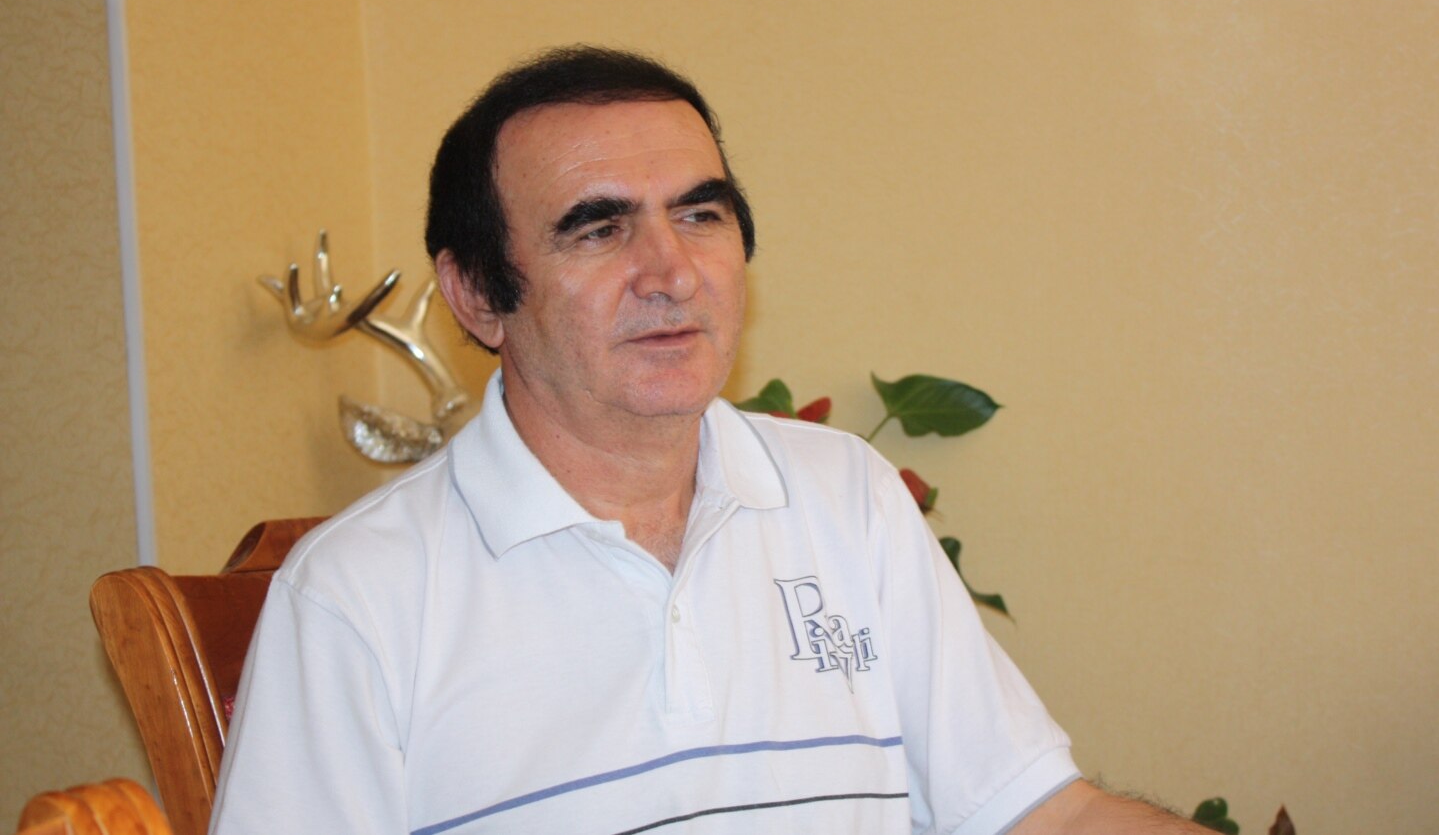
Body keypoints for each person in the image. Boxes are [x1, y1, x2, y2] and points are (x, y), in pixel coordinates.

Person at [211, 46, 1209, 834]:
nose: (672, 272)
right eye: (598, 229)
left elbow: (1039, 813)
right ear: (475, 295)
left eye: (699, 214)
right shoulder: (358, 594)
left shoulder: (846, 495)